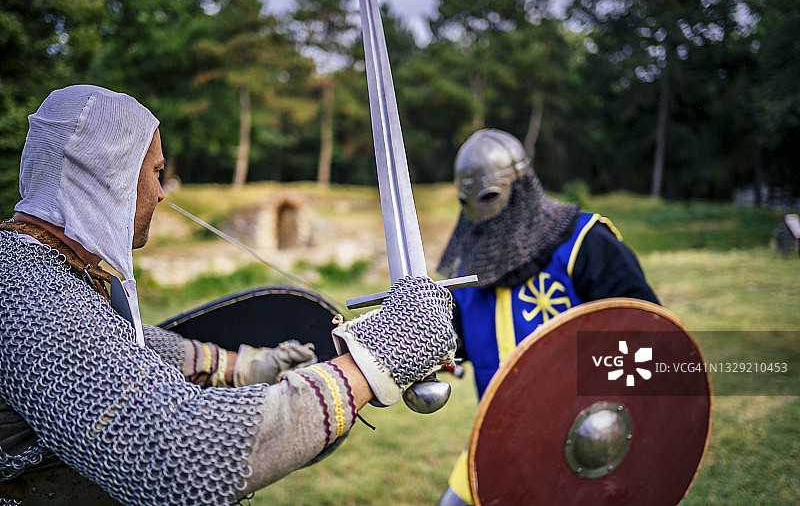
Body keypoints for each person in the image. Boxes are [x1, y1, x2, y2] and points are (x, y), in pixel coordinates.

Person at [0, 85, 457, 506]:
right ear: (111, 174)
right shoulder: (22, 287)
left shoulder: (46, 269)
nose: (162, 193)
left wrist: (243, 367)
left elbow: (121, 342)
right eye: (156, 172)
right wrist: (375, 359)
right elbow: (178, 458)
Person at [435, 129, 659, 506]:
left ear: (520, 185)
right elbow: (452, 344)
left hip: (590, 439)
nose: (480, 209)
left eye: (490, 194)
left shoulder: (584, 242)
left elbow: (646, 335)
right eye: (467, 199)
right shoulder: (468, 270)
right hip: (502, 440)